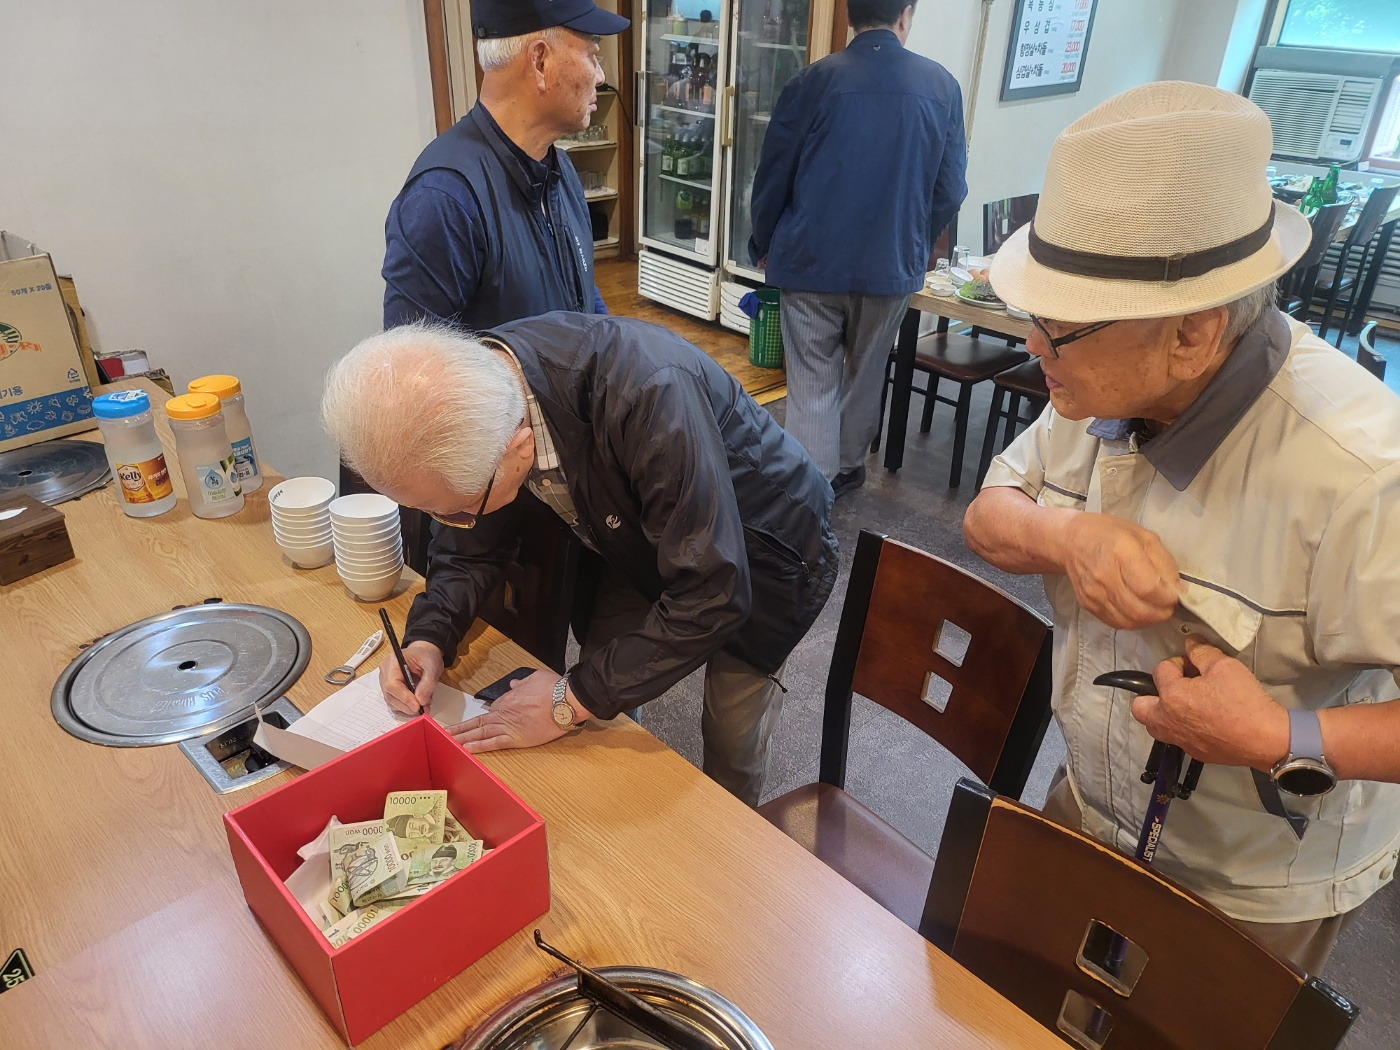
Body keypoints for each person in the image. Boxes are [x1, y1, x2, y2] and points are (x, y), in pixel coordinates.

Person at [963, 81, 1400, 974]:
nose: (1033, 346)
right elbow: (988, 515)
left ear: (1192, 335)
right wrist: (1068, 538)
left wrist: (1279, 738)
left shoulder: (1362, 475)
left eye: (1058, 329)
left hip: (1249, 883)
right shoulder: (1099, 390)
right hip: (1090, 805)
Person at [322, 312, 839, 807]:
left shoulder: (647, 391)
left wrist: (568, 699)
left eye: (455, 510)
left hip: (764, 547)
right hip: (629, 531)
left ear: (518, 451)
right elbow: (467, 546)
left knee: (731, 726)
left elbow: (712, 592)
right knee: (602, 676)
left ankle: (733, 839)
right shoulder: (479, 392)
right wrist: (429, 638)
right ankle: (619, 805)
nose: (450, 521)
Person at [748, 0, 967, 497]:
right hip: (891, 263)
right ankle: (848, 466)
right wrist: (915, 240)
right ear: (905, 15)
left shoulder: (812, 80)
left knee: (812, 381)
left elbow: (774, 173)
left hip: (810, 260)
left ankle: (811, 489)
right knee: (867, 371)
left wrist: (763, 240)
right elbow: (951, 190)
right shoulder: (942, 87)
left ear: (848, 16)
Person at [380, 0, 629, 330]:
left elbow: (580, 290)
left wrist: (612, 345)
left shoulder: (560, 169)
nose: (600, 76)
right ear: (540, 61)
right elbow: (415, 359)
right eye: (592, 55)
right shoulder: (443, 200)